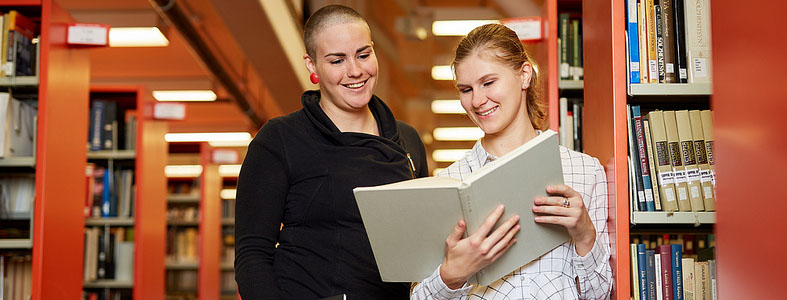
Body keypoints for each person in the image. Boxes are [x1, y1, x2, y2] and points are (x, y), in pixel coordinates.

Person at [234, 5, 427, 299]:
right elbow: (252, 255)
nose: (355, 71)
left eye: (363, 54)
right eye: (337, 60)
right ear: (312, 66)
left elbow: (419, 248)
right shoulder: (280, 139)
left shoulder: (407, 140)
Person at [411, 24, 612, 299]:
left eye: (488, 82)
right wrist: (452, 275)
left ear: (524, 75)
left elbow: (599, 294)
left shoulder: (586, 172)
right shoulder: (448, 183)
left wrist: (585, 234)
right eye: (466, 89)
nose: (478, 100)